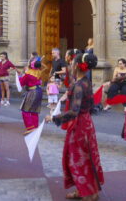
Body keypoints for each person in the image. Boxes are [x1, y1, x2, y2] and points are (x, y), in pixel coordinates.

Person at [46, 53, 104, 201]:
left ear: (76, 66)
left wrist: (53, 117)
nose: (70, 64)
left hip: (79, 126)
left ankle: (89, 194)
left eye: (72, 62)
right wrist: (69, 94)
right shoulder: (86, 82)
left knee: (78, 159)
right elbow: (89, 104)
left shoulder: (79, 85)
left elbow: (73, 111)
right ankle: (85, 190)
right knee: (85, 157)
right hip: (86, 123)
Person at [19, 56, 43, 134]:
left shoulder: (29, 73)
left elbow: (21, 83)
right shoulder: (39, 71)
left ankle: (30, 127)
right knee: (34, 111)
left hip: (32, 91)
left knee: (25, 110)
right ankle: (35, 127)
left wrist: (19, 76)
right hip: (39, 91)